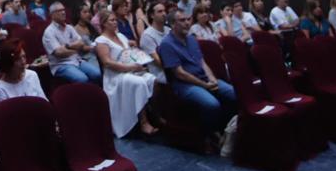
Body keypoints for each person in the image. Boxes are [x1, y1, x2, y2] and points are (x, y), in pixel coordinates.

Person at [158, 9, 236, 144]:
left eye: (188, 19)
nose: (187, 23)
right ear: (171, 24)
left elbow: (202, 62)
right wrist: (204, 85)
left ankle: (228, 128)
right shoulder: (166, 44)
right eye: (182, 20)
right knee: (212, 104)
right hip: (184, 85)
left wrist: (211, 78)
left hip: (204, 79)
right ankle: (209, 135)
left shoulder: (191, 39)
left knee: (234, 93)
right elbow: (179, 73)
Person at [94, 10, 158, 137]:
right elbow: (107, 63)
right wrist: (131, 67)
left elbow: (129, 53)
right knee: (139, 83)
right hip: (115, 76)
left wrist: (134, 49)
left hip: (131, 69)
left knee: (153, 79)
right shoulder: (101, 41)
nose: (115, 22)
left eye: (115, 19)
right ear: (104, 24)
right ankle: (143, 122)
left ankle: (154, 114)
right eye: (111, 20)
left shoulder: (121, 36)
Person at [42, 2, 101, 84]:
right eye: (59, 10)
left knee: (97, 74)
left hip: (76, 60)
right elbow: (59, 53)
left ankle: (93, 93)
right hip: (61, 65)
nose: (63, 12)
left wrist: (67, 46)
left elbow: (81, 43)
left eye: (63, 10)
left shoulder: (69, 28)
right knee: (82, 79)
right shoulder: (49, 32)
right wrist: (76, 49)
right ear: (52, 14)